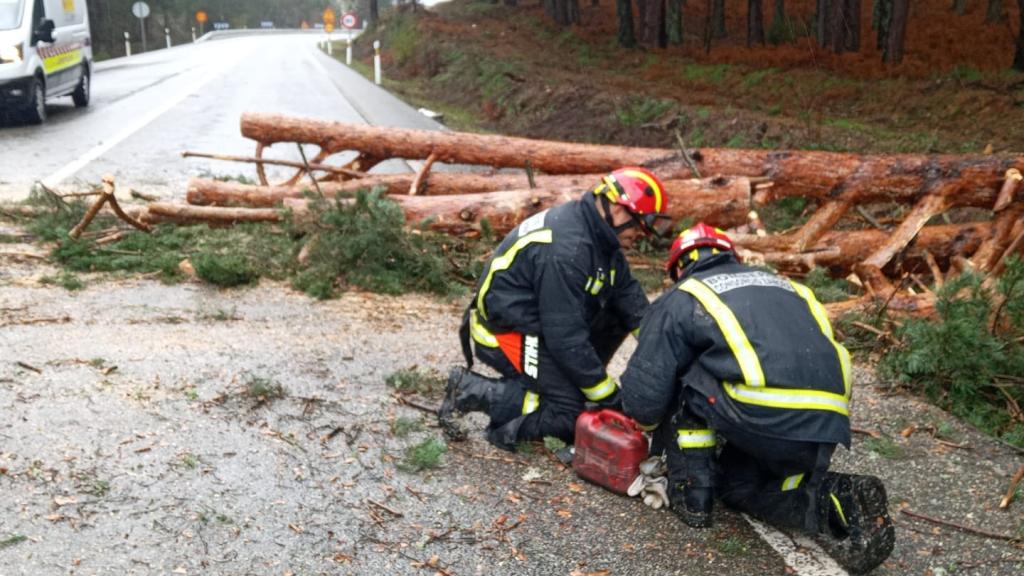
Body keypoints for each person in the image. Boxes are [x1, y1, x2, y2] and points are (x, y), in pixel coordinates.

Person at [620, 223, 894, 575]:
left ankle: (693, 494)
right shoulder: (789, 287)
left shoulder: (686, 294)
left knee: (684, 374)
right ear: (731, 255)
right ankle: (839, 497)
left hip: (760, 415)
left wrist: (644, 428)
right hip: (825, 421)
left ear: (679, 267)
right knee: (740, 487)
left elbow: (646, 401)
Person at [438, 167, 670, 450]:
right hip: (506, 332)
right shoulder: (568, 250)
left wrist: (666, 352)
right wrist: (607, 396)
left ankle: (570, 387)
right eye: (638, 226)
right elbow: (566, 337)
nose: (641, 235)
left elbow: (630, 301)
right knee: (573, 415)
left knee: (614, 321)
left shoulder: (599, 237)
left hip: (544, 326)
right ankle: (473, 393)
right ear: (619, 210)